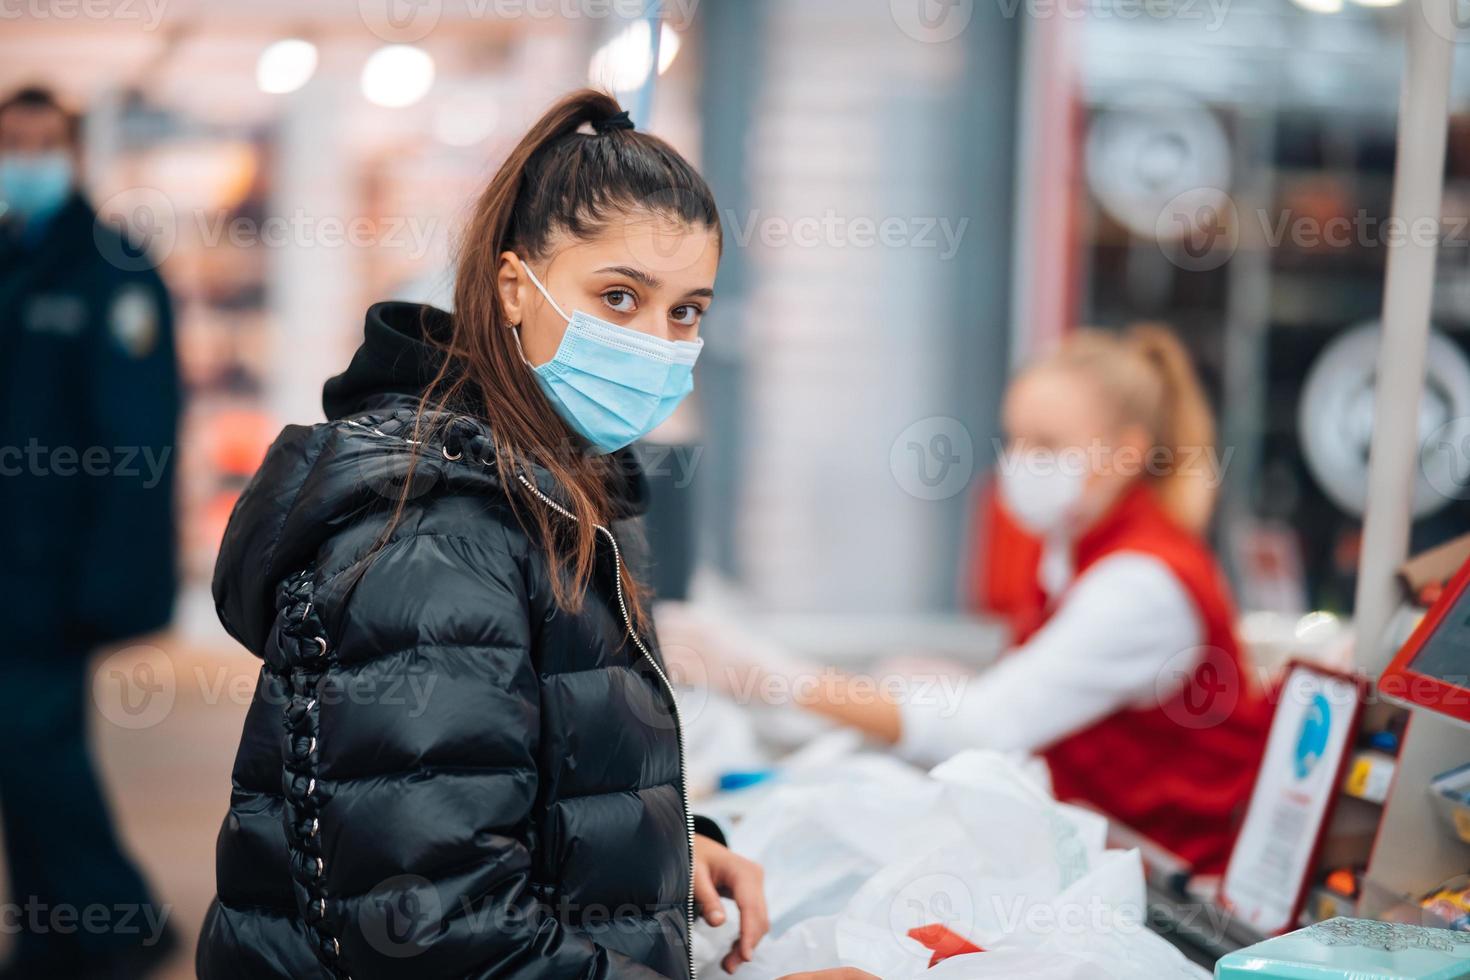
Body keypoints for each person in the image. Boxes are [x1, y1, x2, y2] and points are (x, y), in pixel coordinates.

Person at [197, 90, 870, 980]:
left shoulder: (554, 489)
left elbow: (512, 783)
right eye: (619, 296)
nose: (658, 342)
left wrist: (665, 858)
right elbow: (432, 929)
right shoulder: (435, 535)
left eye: (687, 311)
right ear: (516, 287)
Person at [786, 326, 1271, 874]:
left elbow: (988, 726)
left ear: (1126, 453)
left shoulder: (1143, 585)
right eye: (1014, 440)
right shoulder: (1068, 550)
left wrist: (777, 679)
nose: (1019, 463)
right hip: (1102, 857)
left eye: (1046, 445)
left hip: (1171, 890)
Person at [0, 86, 180, 978]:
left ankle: (122, 923)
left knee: (32, 750)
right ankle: (51, 935)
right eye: (9, 143)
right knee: (29, 755)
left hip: (57, 569)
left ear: (72, 155)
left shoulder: (110, 265)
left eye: (40, 143)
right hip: (10, 565)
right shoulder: (12, 256)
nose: (23, 159)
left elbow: (139, 435)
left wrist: (115, 575)